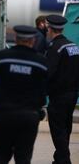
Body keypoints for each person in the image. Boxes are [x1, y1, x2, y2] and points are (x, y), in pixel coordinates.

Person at [0, 25, 48, 164]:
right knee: (23, 157)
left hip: (3, 115)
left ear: (16, 39)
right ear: (33, 40)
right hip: (29, 116)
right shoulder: (41, 62)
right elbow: (44, 88)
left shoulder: (1, 58)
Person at [45, 14, 79, 164]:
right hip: (72, 94)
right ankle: (59, 158)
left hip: (58, 96)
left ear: (50, 29)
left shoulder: (55, 47)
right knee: (66, 127)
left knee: (57, 129)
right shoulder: (73, 46)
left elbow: (49, 72)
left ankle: (64, 160)